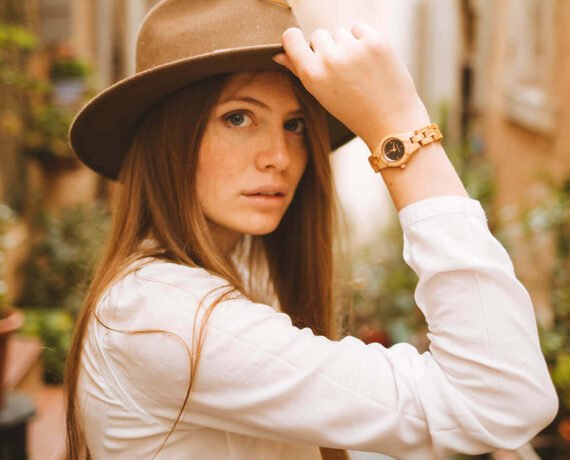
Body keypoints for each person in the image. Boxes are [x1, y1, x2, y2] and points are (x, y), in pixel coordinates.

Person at [64, 0, 558, 459]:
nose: (279, 157)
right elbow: (501, 399)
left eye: (295, 125)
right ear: (166, 139)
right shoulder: (169, 318)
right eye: (238, 118)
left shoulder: (231, 269)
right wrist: (403, 129)